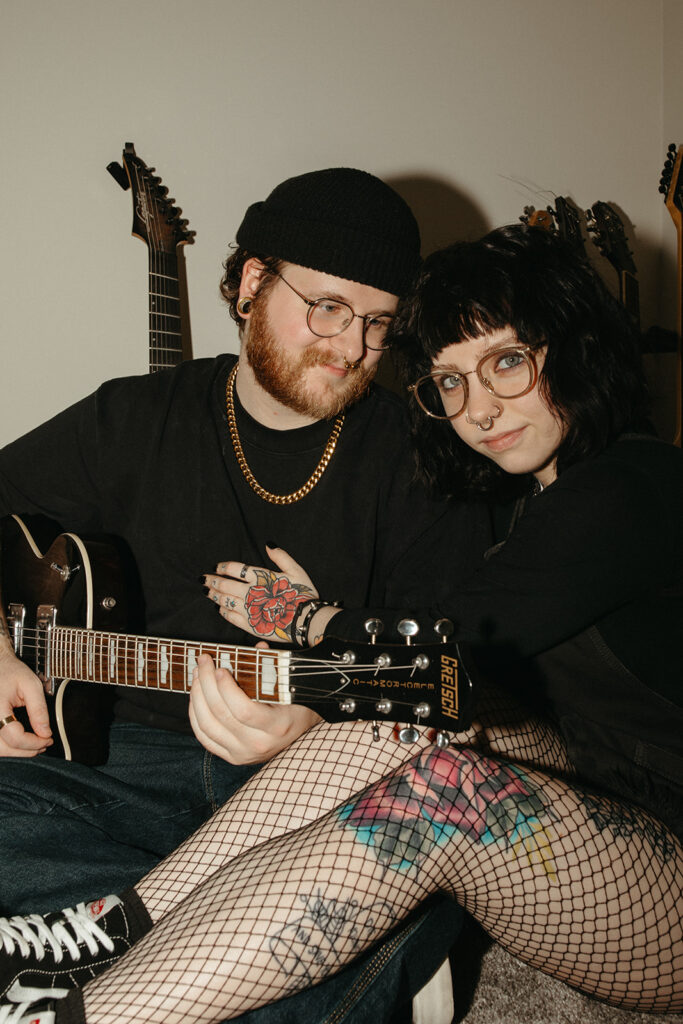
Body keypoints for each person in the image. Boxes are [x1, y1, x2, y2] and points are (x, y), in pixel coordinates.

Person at [2, 221, 679, 1024]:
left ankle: (84, 1012)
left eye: (505, 362)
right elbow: (449, 686)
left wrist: (310, 620)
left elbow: (445, 643)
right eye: (449, 381)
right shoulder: (534, 496)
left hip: (658, 858)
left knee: (437, 790)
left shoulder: (631, 487)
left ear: (575, 348)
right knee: (406, 724)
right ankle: (111, 928)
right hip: (594, 791)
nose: (479, 407)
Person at [0, 169, 491, 1020]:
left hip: (312, 798)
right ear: (250, 282)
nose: (352, 347)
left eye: (379, 323)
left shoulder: (424, 459)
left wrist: (315, 721)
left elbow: (457, 679)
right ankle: (158, 950)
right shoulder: (137, 416)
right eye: (329, 307)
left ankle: (133, 957)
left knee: (362, 898)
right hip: (110, 765)